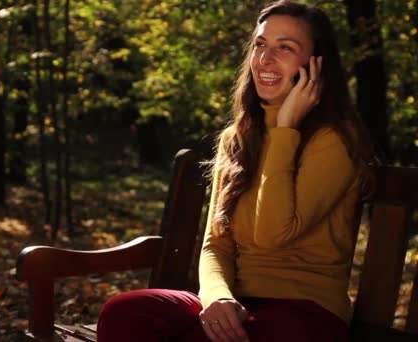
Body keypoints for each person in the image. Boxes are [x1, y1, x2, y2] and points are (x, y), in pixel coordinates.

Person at [96, 1, 375, 341]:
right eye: (260, 45)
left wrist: (285, 129)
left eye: (285, 47)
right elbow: (216, 245)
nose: (265, 60)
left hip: (307, 313)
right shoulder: (238, 138)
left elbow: (273, 233)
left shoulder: (334, 140)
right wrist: (217, 297)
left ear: (316, 64)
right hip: (238, 305)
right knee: (125, 312)